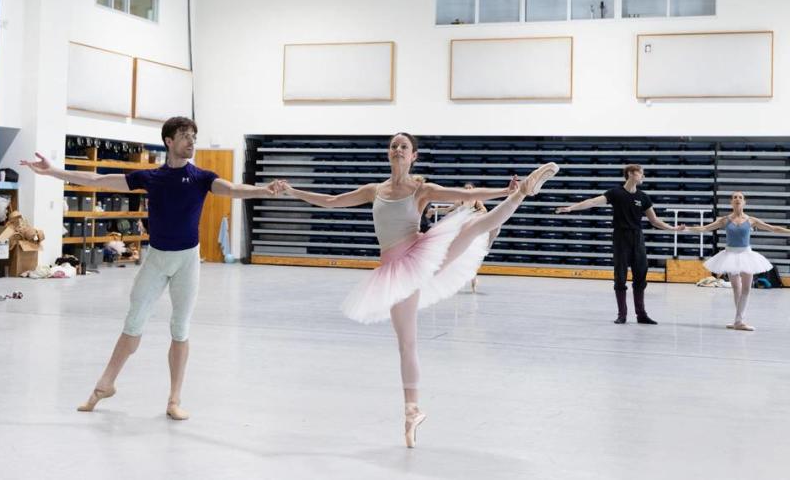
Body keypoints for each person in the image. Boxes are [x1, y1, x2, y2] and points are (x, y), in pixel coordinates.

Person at [278, 132, 559, 448]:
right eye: (394, 146)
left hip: (422, 255)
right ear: (389, 154)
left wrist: (502, 189)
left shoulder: (420, 189)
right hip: (394, 272)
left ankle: (522, 192)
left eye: (404, 147)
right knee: (406, 345)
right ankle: (412, 411)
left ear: (414, 157)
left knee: (473, 226)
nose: (398, 150)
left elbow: (463, 195)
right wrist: (293, 191)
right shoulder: (375, 190)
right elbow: (331, 201)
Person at [21, 116, 279, 419]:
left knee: (180, 329)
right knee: (133, 323)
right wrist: (52, 172)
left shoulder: (201, 177)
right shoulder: (150, 177)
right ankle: (105, 385)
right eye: (184, 136)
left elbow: (233, 189)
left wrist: (264, 189)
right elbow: (97, 180)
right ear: (169, 141)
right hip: (157, 259)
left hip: (187, 260)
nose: (191, 141)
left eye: (193, 136)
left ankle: (173, 400)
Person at [555, 164, 683, 325]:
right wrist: (571, 208)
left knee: (641, 275)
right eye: (640, 173)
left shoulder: (643, 197)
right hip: (620, 237)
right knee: (620, 276)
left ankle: (641, 314)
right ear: (630, 173)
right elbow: (593, 201)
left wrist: (673, 228)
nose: (643, 176)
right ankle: (622, 314)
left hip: (637, 238)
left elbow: (655, 220)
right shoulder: (615, 193)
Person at [685, 191, 790, 331]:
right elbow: (705, 228)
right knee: (736, 288)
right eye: (735, 197)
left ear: (744, 202)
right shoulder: (724, 220)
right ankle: (739, 321)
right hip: (730, 255)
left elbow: (772, 228)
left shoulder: (751, 220)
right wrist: (686, 229)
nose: (737, 199)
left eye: (740, 197)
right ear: (731, 202)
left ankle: (738, 320)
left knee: (746, 288)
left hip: (747, 255)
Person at [427, 183, 502, 293]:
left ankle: (473, 279)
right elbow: (449, 210)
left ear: (473, 189)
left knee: (471, 253)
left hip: (471, 227)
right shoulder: (460, 200)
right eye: (466, 188)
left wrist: (474, 212)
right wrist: (435, 210)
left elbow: (484, 211)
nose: (468, 190)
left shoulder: (477, 200)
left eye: (470, 188)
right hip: (461, 228)